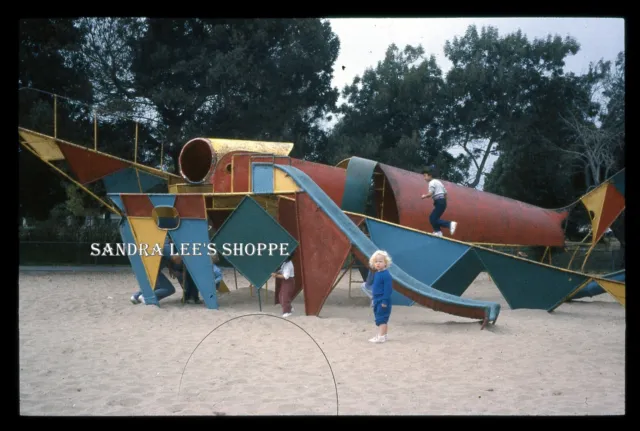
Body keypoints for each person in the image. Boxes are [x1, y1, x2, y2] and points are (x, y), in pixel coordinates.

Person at [130, 238, 180, 304]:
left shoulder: (161, 241)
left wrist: (172, 270)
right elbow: (175, 259)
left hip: (143, 269)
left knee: (156, 285)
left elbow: (166, 259)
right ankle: (146, 297)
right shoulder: (166, 245)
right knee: (170, 289)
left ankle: (136, 296)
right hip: (152, 271)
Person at [420, 165, 457, 237]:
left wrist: (424, 196)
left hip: (439, 202)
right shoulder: (438, 182)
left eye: (425, 176)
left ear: (430, 175)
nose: (424, 178)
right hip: (442, 202)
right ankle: (438, 232)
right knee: (434, 218)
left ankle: (449, 224)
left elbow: (430, 194)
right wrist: (444, 202)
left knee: (432, 218)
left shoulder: (431, 183)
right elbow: (446, 193)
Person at [369, 250, 393, 344]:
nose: (378, 263)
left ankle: (381, 336)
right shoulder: (377, 274)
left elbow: (388, 290)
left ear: (386, 263)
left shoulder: (386, 275)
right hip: (377, 299)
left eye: (380, 261)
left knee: (381, 318)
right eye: (376, 261)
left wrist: (384, 301)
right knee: (379, 316)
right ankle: (383, 335)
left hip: (383, 300)